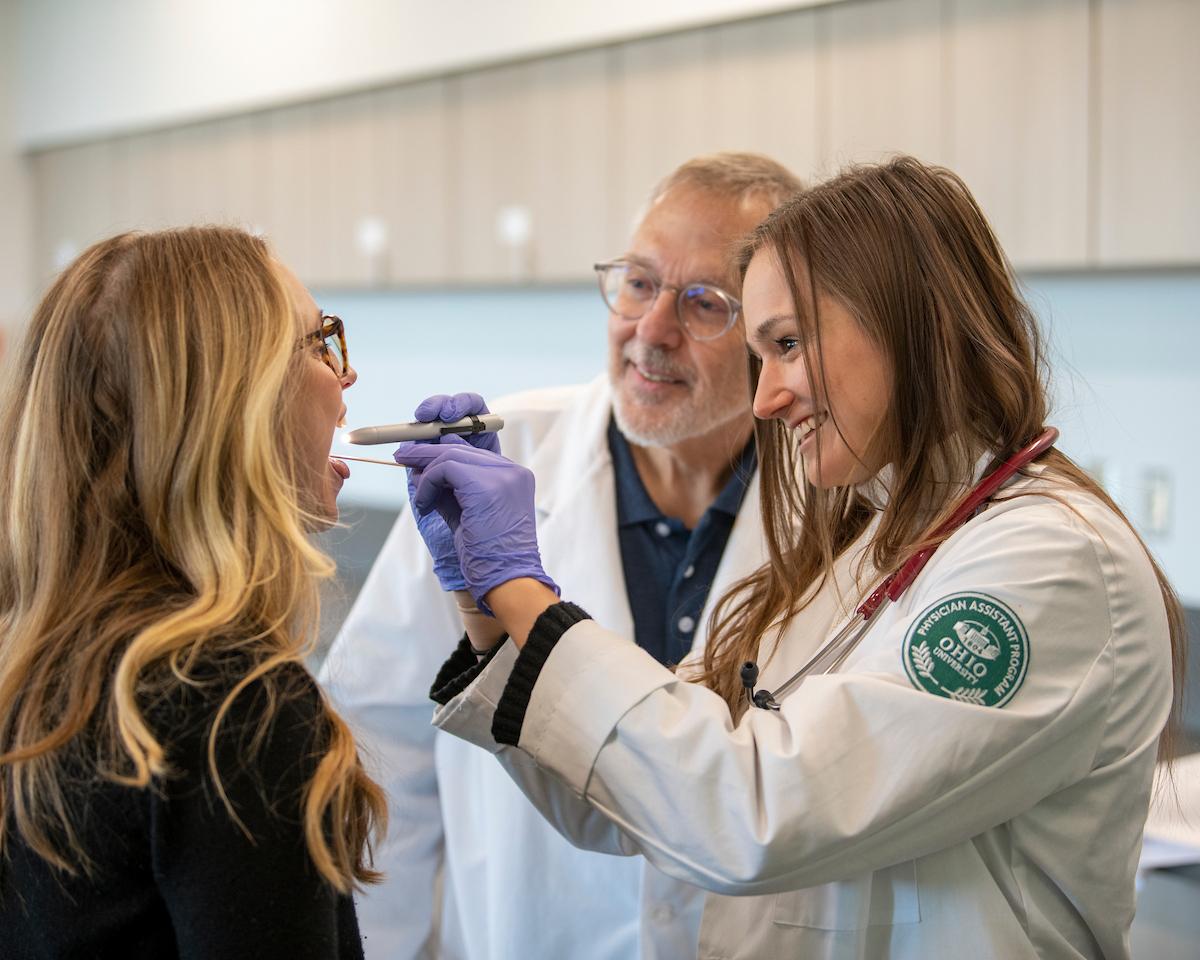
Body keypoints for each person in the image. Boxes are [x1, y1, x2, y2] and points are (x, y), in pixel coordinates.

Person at [398, 156, 1186, 960]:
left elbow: (751, 813)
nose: (766, 399)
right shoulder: (866, 552)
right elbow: (632, 793)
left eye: (787, 344)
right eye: (760, 355)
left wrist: (522, 588)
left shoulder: (1051, 563)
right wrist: (487, 608)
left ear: (910, 323)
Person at [318, 152, 803, 958]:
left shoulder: (836, 509)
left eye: (704, 303)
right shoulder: (493, 464)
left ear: (774, 334)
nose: (651, 331)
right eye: (639, 283)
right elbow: (377, 743)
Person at [0, 227, 387, 959]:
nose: (345, 378)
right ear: (237, 407)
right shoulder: (233, 707)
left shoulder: (40, 661)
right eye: (318, 343)